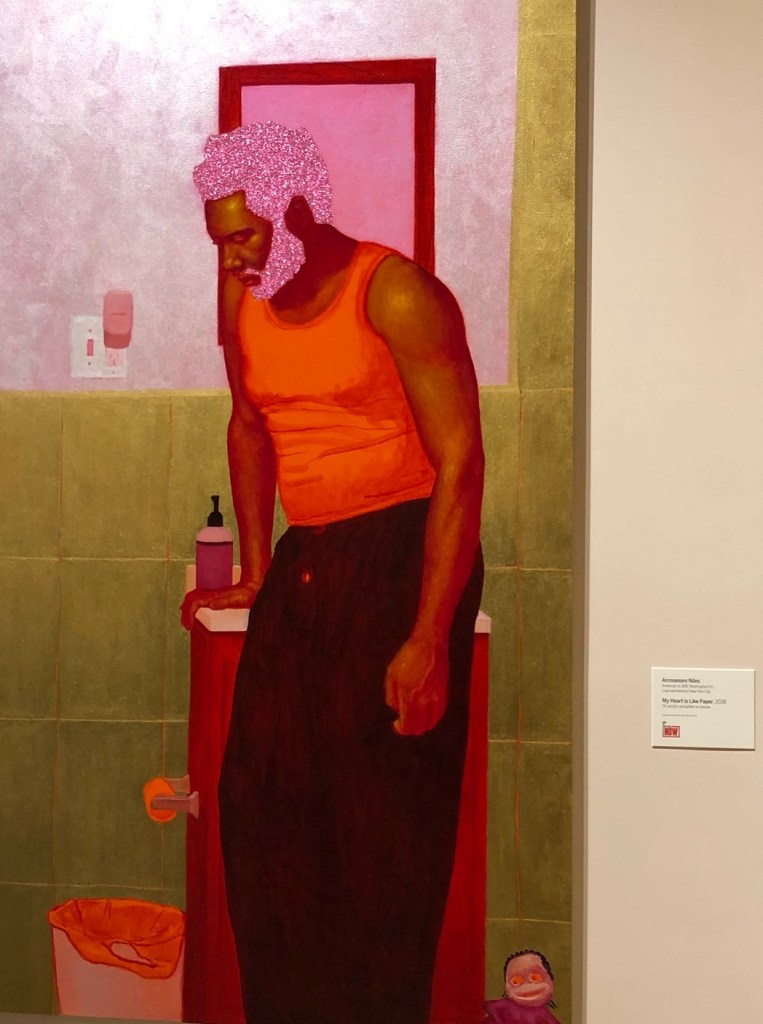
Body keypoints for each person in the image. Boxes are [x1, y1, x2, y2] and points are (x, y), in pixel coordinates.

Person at [182, 121, 484, 1024]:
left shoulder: (397, 294)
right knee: (260, 806)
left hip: (403, 553)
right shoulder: (241, 298)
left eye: (245, 235)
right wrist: (256, 567)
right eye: (220, 240)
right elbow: (249, 426)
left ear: (298, 211)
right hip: (309, 557)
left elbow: (461, 464)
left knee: (381, 835)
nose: (232, 258)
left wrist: (429, 636)